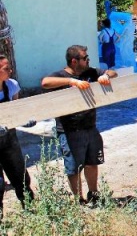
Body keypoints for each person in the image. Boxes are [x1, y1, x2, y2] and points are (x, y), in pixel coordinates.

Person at [41, 45, 116, 204]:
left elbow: (112, 72)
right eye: (85, 58)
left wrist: (106, 76)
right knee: (73, 168)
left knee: (92, 162)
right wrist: (71, 81)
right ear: (74, 61)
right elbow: (45, 82)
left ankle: (94, 194)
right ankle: (78, 200)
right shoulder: (60, 76)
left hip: (90, 127)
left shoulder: (90, 72)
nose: (88, 60)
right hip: (69, 131)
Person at [0, 55, 35, 220]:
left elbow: (16, 111)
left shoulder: (12, 85)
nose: (10, 71)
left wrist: (24, 121)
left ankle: (31, 215)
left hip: (9, 142)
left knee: (21, 179)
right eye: (6, 68)